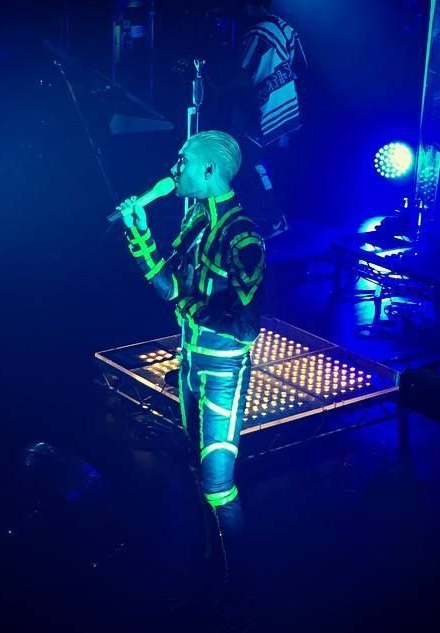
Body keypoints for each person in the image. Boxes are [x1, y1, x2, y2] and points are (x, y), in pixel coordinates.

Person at [116, 130, 265, 584]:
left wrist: (187, 304)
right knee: (197, 472)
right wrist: (139, 232)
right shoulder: (197, 220)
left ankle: (239, 588)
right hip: (190, 364)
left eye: (182, 160)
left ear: (208, 169)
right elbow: (169, 286)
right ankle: (211, 570)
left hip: (222, 370)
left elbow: (245, 326)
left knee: (218, 485)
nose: (174, 169)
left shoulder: (242, 237)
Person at [211, 0, 307, 238]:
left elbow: (243, 76)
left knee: (248, 161)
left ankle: (272, 219)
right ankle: (272, 218)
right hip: (287, 107)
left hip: (265, 111)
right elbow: (302, 66)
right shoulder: (286, 27)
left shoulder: (257, 32)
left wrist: (217, 90)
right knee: (262, 162)